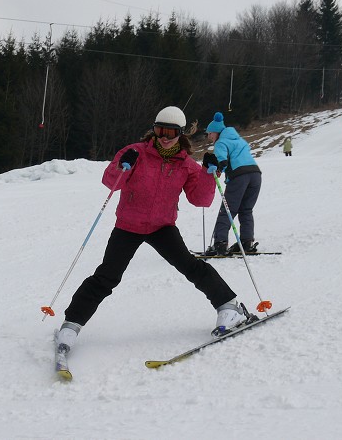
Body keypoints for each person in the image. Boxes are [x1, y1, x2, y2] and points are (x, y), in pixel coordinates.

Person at [56, 106, 248, 352]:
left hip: (162, 226)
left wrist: (208, 175)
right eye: (160, 130)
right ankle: (70, 325)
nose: (165, 137)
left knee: (190, 266)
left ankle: (229, 306)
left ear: (181, 134)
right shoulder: (135, 152)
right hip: (128, 225)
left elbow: (200, 200)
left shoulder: (186, 164)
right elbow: (110, 182)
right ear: (154, 130)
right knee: (107, 276)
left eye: (171, 132)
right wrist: (121, 166)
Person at [204, 112, 262, 256]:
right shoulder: (239, 139)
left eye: (210, 134)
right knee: (246, 209)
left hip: (239, 177)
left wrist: (216, 168)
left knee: (227, 210)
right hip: (255, 175)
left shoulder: (221, 142)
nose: (209, 137)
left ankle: (220, 243)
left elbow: (222, 161)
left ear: (216, 132)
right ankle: (246, 242)